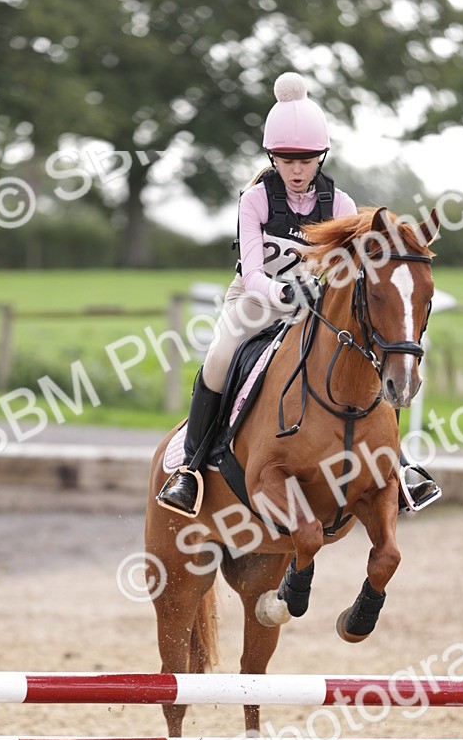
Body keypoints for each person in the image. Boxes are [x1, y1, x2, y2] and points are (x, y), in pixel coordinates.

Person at [156, 71, 440, 517]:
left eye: (305, 159)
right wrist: (286, 292)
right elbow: (252, 273)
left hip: (314, 307)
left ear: (320, 157)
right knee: (218, 359)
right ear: (273, 156)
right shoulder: (256, 200)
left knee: (369, 361)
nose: (296, 169)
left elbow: (355, 274)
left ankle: (398, 466)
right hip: (254, 301)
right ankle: (191, 468)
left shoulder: (340, 204)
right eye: (286, 159)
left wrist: (323, 294)